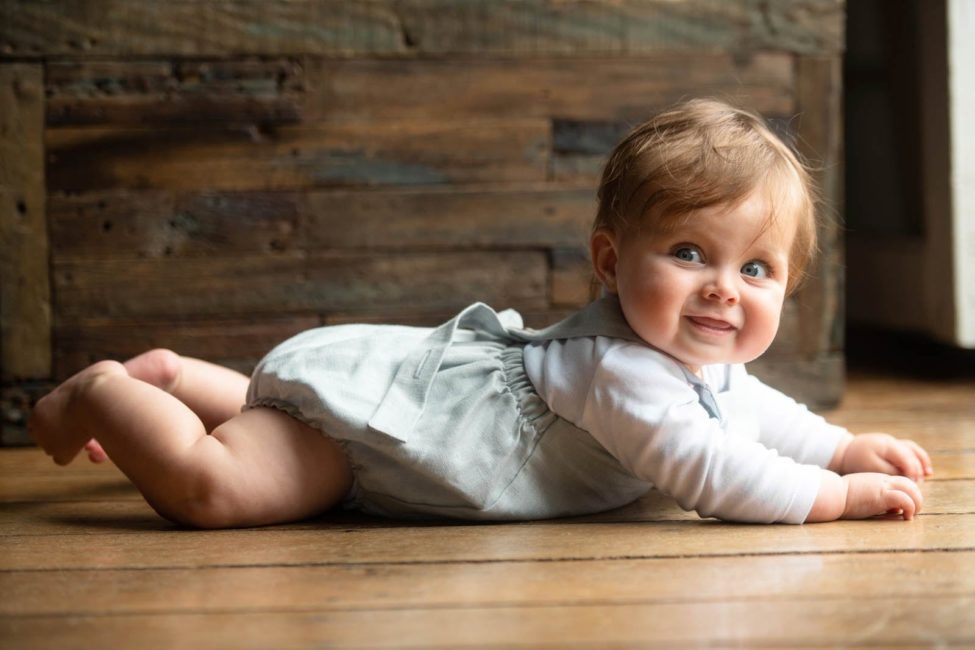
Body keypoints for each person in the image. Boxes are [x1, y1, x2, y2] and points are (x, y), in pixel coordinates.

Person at [28, 99, 932, 529]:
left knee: (285, 426)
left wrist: (837, 445)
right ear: (610, 262)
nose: (724, 288)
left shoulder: (698, 362)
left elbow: (751, 410)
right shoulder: (618, 370)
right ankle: (105, 393)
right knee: (216, 490)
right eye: (689, 253)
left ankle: (181, 380)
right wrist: (835, 495)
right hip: (375, 454)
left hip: (400, 430)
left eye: (756, 268)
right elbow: (713, 473)